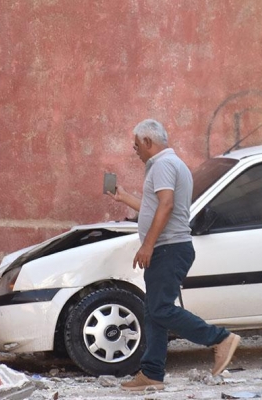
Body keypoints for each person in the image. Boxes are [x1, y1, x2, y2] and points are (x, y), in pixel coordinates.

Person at [108, 119, 240, 391]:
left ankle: (220, 338)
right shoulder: (170, 164)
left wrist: (147, 246)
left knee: (160, 309)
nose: (135, 151)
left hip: (168, 248)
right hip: (167, 247)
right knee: (153, 312)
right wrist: (124, 197)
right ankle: (152, 373)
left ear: (148, 142)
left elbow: (166, 206)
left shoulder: (163, 165)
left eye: (136, 146)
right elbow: (153, 206)